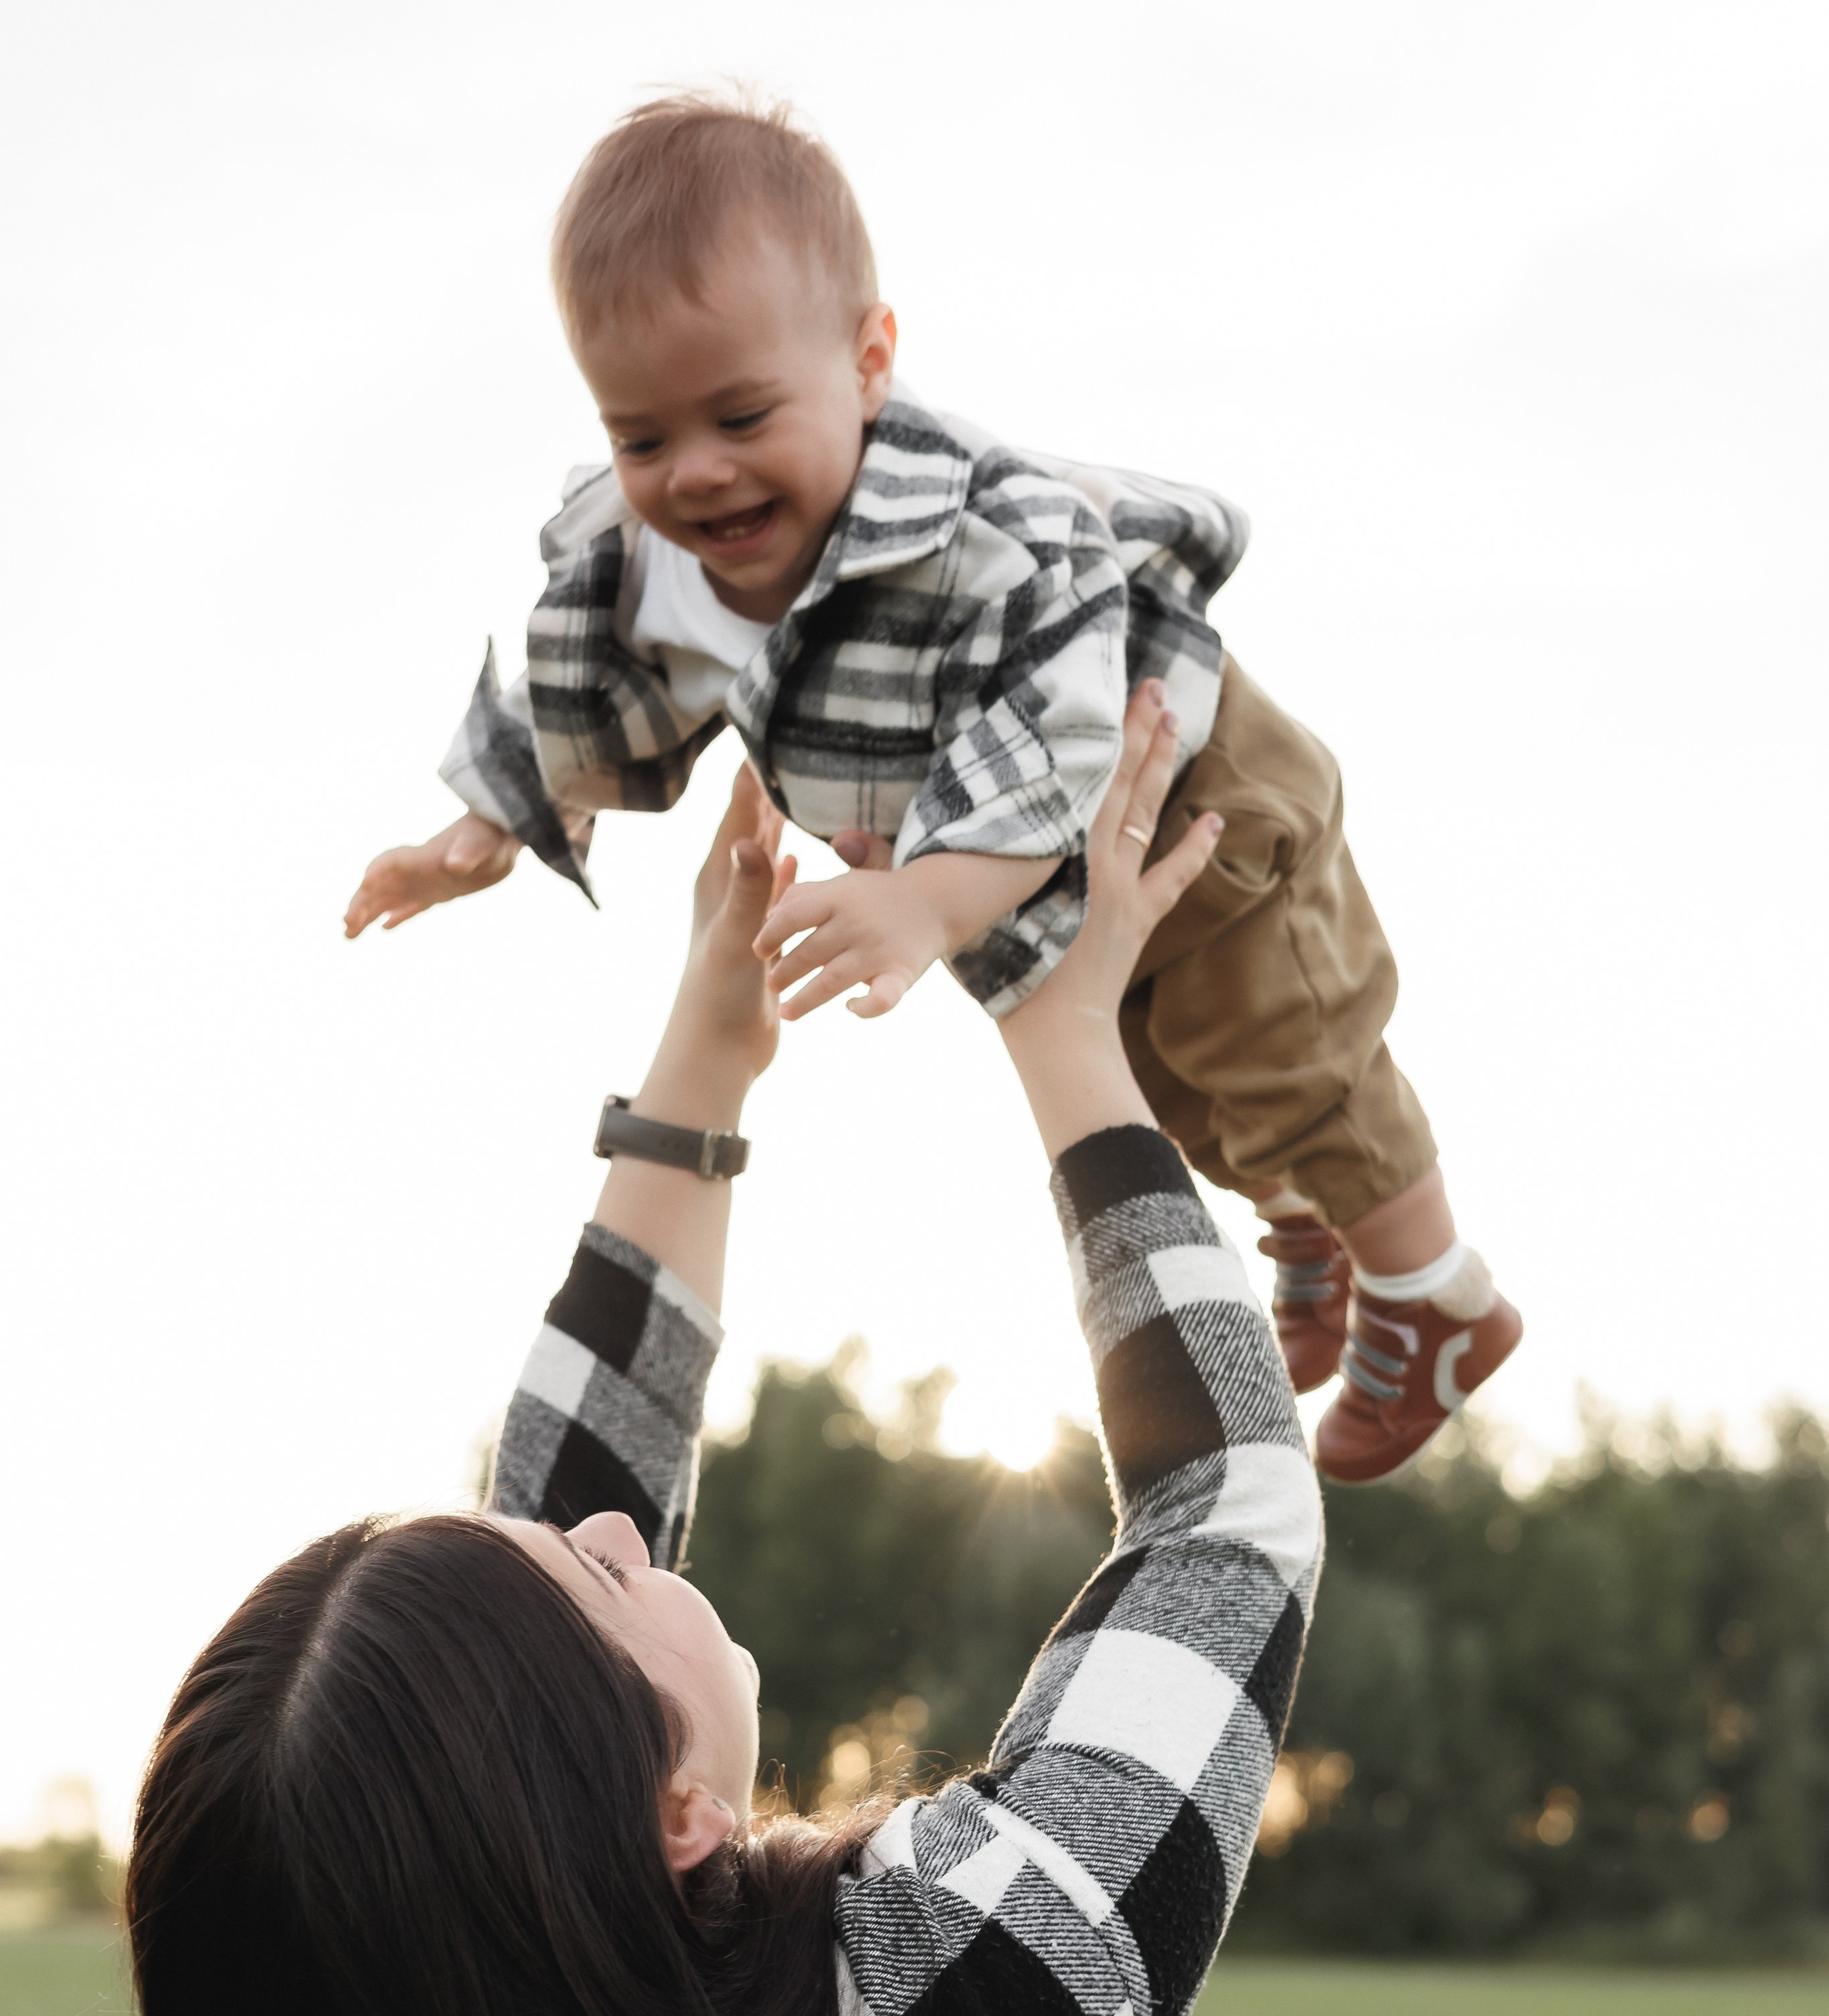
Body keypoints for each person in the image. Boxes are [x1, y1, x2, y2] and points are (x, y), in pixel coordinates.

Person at [134, 691, 1325, 2016]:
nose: (615, 1534)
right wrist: (1060, 1023)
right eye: (601, 1582)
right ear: (670, 1813)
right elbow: (1225, 1509)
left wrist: (705, 1054)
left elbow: (517, 1680)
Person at [342, 91, 1520, 1486]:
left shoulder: (977, 527)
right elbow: (565, 682)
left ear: (868, 361)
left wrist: (925, 899)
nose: (698, 474)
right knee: (1175, 1087)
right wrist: (474, 829)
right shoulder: (647, 563)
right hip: (1024, 879)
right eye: (642, 438)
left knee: (1286, 1052)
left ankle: (1437, 1295)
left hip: (1185, 783)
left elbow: (1060, 710)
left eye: (740, 413)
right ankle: (1305, 1222)